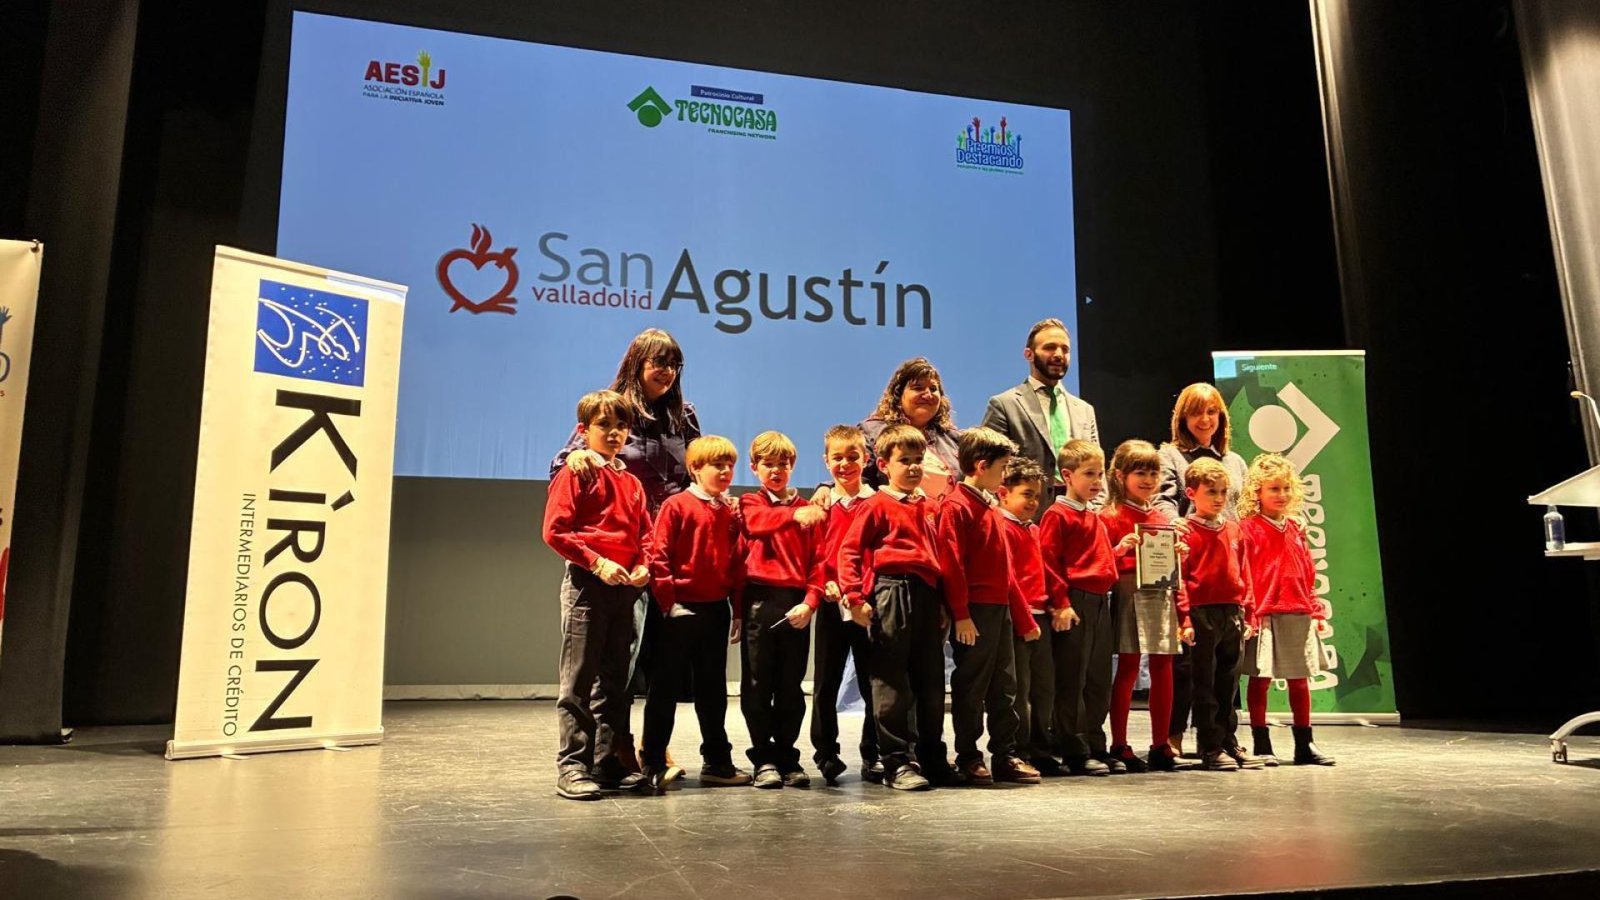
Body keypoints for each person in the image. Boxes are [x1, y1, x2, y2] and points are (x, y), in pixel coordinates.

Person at [550, 328, 697, 783]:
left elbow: (694, 472)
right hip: (605, 560)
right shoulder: (609, 409)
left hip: (656, 550)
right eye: (657, 362)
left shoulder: (683, 416)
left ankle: (644, 753)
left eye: (673, 364)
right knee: (597, 671)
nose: (666, 372)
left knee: (643, 661)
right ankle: (598, 757)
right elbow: (570, 472)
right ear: (637, 363)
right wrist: (569, 459)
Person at [542, 390, 654, 800]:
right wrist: (597, 562)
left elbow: (645, 533)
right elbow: (555, 531)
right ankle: (572, 765)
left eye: (621, 426)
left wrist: (643, 565)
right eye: (604, 425)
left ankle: (607, 764)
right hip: (588, 587)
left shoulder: (631, 482)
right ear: (583, 430)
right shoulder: (577, 473)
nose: (613, 433)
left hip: (623, 591)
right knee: (579, 678)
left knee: (614, 683)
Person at [837, 424, 960, 790]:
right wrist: (855, 598)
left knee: (931, 681)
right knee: (890, 681)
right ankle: (895, 761)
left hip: (926, 594)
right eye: (904, 461)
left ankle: (932, 756)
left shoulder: (928, 506)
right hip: (890, 593)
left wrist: (940, 601)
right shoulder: (875, 505)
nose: (912, 467)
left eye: (918, 460)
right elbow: (849, 551)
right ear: (884, 465)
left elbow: (936, 556)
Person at [640, 435, 750, 792]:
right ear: (695, 468)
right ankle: (653, 762)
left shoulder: (728, 511)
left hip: (715, 609)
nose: (725, 471)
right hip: (679, 611)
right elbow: (659, 555)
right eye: (717, 465)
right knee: (665, 690)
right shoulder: (677, 505)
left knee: (712, 690)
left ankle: (717, 762)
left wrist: (734, 608)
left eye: (729, 465)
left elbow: (735, 563)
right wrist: (669, 602)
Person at [936, 427, 1041, 785]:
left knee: (1005, 686)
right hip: (976, 613)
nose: (1004, 475)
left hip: (1000, 612)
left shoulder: (991, 508)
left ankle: (1005, 754)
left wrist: (1023, 617)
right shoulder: (955, 507)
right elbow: (951, 564)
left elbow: (1006, 571)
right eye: (1001, 467)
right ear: (981, 466)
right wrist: (961, 614)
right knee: (971, 686)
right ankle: (968, 755)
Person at [1154, 382, 1248, 759]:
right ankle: (1177, 733)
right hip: (1192, 563)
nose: (1205, 419)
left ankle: (1225, 735)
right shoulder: (1172, 456)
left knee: (1227, 670)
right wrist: (1175, 527)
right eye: (1196, 412)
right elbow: (1163, 501)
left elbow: (1243, 510)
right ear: (1183, 418)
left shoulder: (1235, 461)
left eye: (1212, 412)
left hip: (1228, 566)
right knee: (1190, 666)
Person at [739, 432, 827, 789]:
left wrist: (809, 603)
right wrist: (795, 515)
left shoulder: (808, 512)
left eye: (783, 464)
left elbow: (819, 563)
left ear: (792, 466)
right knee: (758, 684)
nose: (776, 470)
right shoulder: (750, 502)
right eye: (768, 464)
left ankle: (788, 756)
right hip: (759, 601)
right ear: (755, 467)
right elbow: (756, 524)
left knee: (791, 686)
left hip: (795, 603)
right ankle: (763, 758)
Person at [1238, 453, 1336, 767]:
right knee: (1261, 677)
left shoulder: (1296, 528)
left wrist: (1316, 609)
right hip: (1264, 611)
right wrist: (1249, 612)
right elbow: (1245, 572)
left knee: (1299, 678)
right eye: (1273, 489)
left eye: (1285, 489)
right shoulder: (1248, 529)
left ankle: (1304, 744)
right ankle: (1261, 743)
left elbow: (1307, 570)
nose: (1280, 495)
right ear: (1258, 493)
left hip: (1297, 610)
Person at [1100, 440, 1188, 773]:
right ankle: (1120, 743)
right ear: (1120, 475)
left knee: (1164, 667)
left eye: (1154, 472)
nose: (1149, 479)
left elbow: (1167, 561)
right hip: (1127, 594)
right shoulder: (1108, 516)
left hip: (1160, 594)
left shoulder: (1161, 518)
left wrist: (1178, 556)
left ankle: (1160, 744)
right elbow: (1101, 561)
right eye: (1141, 472)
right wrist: (1121, 550)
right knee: (1128, 667)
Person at [1039, 439, 1119, 775]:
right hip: (1075, 601)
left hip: (1101, 602)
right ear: (1067, 475)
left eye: (1100, 474)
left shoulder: (1094, 516)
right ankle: (1073, 747)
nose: (1097, 481)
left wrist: (1124, 551)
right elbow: (1049, 562)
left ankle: (1095, 743)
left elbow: (1101, 560)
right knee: (1072, 678)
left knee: (1097, 677)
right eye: (1089, 474)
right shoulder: (1057, 515)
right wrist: (1060, 603)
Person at [1180, 457, 1264, 771]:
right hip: (1202, 613)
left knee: (1229, 682)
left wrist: (1249, 612)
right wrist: (1185, 618)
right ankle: (1211, 745)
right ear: (1192, 494)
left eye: (1222, 492)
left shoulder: (1233, 530)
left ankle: (1229, 739)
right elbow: (1181, 577)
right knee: (1204, 682)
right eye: (1211, 491)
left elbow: (1245, 571)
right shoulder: (1186, 531)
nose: (1218, 498)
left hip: (1233, 612)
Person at [810, 425, 882, 786]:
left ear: (865, 460)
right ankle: (825, 753)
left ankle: (874, 754)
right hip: (830, 602)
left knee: (874, 683)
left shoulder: (877, 503)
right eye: (837, 457)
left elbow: (875, 554)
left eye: (852, 457)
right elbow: (818, 553)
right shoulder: (821, 506)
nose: (845, 464)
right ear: (825, 461)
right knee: (826, 681)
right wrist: (827, 583)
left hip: (866, 605)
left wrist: (863, 594)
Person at [981, 318, 1100, 511]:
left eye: (1065, 349)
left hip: (1079, 518)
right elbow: (987, 468)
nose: (1059, 355)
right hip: (1026, 519)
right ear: (1029, 354)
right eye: (1050, 348)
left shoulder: (1085, 410)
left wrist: (1097, 510)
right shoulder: (1004, 404)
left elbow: (1097, 468)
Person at [997, 457, 1064, 777]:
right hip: (1018, 622)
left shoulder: (1034, 529)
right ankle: (1017, 750)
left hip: (1041, 620)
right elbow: (1008, 579)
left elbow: (1046, 572)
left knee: (1044, 689)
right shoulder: (1002, 528)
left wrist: (1055, 605)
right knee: (1018, 692)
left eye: (1037, 496)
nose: (1033, 502)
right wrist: (1025, 621)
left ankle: (1041, 747)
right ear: (1003, 494)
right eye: (1026, 494)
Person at [859, 358, 963, 501]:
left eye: (933, 389)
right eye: (918, 388)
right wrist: (825, 488)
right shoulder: (872, 432)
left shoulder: (956, 439)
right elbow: (854, 476)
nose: (928, 394)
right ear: (898, 395)